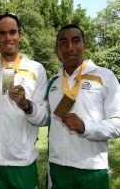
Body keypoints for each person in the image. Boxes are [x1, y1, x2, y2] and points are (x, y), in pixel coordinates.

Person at [0, 12, 48, 189]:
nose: (8, 37)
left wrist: (26, 104)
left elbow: (44, 117)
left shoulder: (36, 69)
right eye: (2, 33)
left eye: (13, 32)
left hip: (22, 163)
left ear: (20, 35)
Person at [47, 24, 120, 189]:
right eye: (63, 43)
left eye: (75, 41)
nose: (69, 48)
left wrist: (86, 126)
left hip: (92, 170)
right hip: (58, 167)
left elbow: (117, 124)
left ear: (84, 45)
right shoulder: (52, 82)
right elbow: (44, 117)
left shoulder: (105, 76)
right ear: (56, 49)